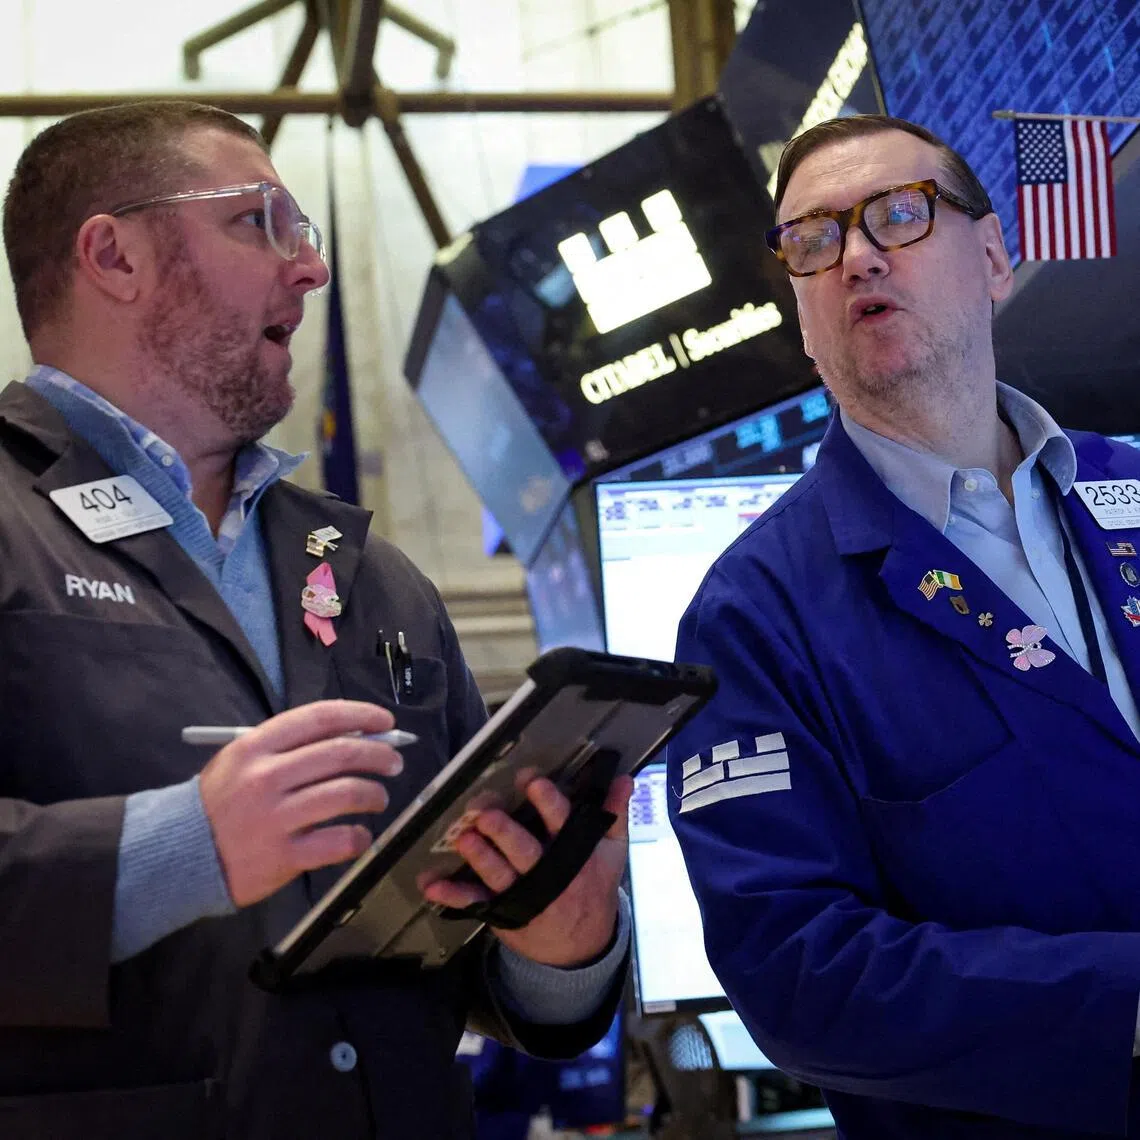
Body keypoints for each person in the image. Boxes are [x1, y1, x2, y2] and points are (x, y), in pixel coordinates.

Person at [0, 101, 632, 1140]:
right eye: (259, 222)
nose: (311, 268)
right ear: (114, 256)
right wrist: (183, 847)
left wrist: (561, 942)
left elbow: (475, 975)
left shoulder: (375, 577)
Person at [667, 113, 1140, 1138]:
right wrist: (1126, 1007)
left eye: (898, 214)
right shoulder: (753, 616)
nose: (858, 256)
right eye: (813, 240)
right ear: (801, 313)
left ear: (994, 257)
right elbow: (796, 970)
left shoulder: (1134, 491)